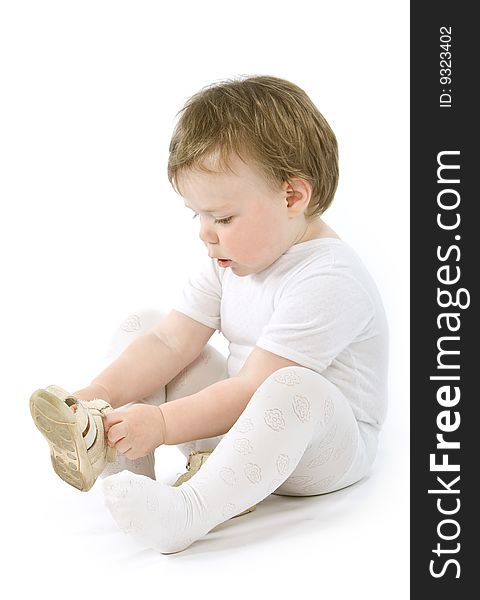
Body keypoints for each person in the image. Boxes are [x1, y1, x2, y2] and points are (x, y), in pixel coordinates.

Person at [29, 75, 389, 554]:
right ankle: (114, 450)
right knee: (145, 326)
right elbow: (169, 343)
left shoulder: (329, 277)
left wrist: (161, 425)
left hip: (320, 450)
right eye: (196, 215)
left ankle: (190, 511)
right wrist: (95, 395)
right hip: (244, 424)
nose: (205, 234)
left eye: (222, 218)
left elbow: (252, 390)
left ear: (292, 198)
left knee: (287, 386)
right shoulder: (230, 259)